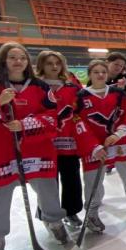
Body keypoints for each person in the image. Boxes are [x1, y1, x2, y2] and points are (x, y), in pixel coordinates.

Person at [0, 42, 69, 250]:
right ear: (3, 60)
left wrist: (25, 124)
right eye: (12, 57)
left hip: (37, 148)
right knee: (0, 195)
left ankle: (54, 222)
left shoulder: (41, 87)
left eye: (22, 57)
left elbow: (53, 117)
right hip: (1, 151)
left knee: (47, 188)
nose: (18, 61)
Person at [75, 60, 126, 233]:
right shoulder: (81, 97)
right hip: (95, 146)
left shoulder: (118, 93)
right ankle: (92, 210)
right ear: (90, 74)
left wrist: (119, 133)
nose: (100, 75)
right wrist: (93, 146)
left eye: (103, 72)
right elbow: (77, 123)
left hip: (119, 141)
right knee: (92, 179)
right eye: (96, 72)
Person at [34, 50, 83, 230]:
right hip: (43, 144)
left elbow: (81, 110)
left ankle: (71, 210)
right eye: (49, 63)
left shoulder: (72, 86)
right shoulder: (35, 86)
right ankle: (47, 212)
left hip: (68, 142)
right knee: (46, 182)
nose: (54, 66)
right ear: (41, 65)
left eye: (58, 63)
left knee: (71, 179)